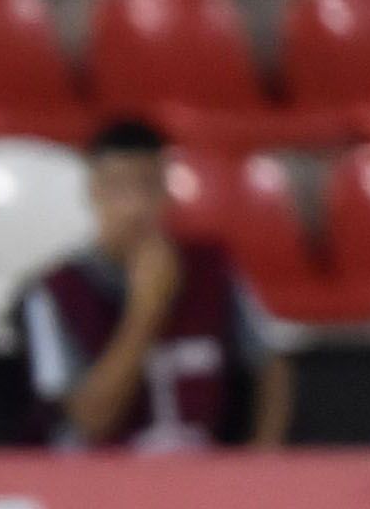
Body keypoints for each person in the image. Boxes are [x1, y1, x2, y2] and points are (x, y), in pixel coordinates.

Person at [15, 119, 295, 451]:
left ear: (167, 190)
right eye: (119, 188)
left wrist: (264, 449)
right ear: (93, 192)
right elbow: (90, 420)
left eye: (148, 186)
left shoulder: (212, 268)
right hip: (102, 482)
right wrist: (146, 309)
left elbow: (270, 367)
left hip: (202, 476)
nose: (136, 207)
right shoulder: (56, 292)